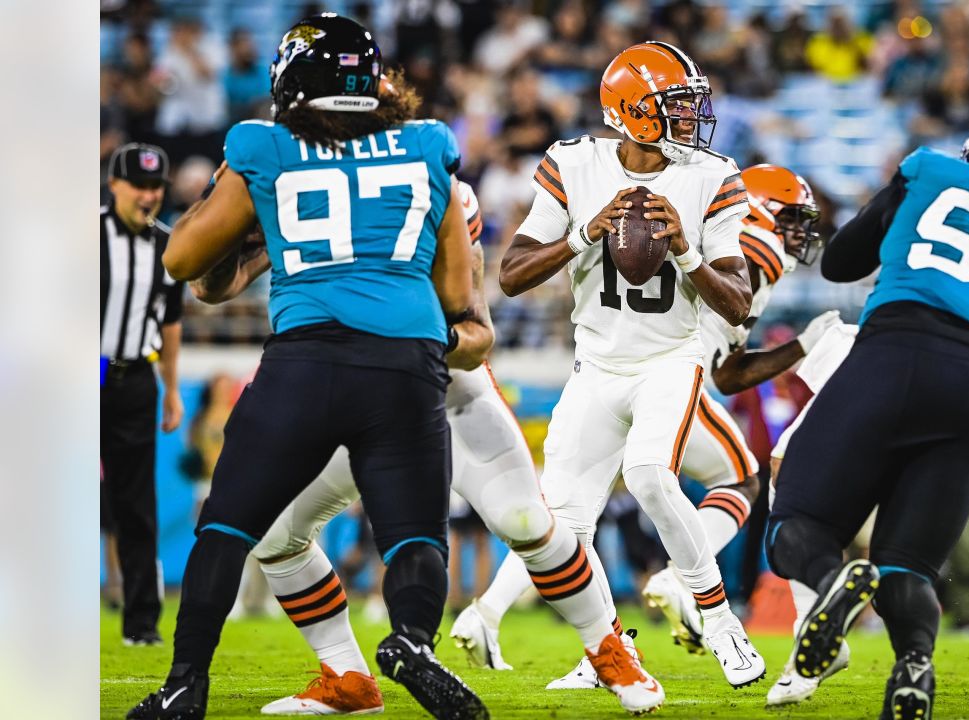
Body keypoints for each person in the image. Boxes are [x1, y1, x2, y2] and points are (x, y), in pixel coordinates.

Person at [128, 15, 483, 719]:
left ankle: (184, 683)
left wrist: (263, 228)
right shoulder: (428, 146)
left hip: (306, 360)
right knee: (417, 537)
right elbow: (460, 305)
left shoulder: (264, 146)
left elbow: (182, 261)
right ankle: (411, 640)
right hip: (408, 361)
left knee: (227, 528)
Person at [250, 182, 663, 717]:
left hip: (447, 394)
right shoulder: (317, 192)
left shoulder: (437, 194)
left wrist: (415, 339)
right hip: (356, 407)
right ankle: (346, 676)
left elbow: (475, 337)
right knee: (276, 534)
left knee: (525, 521)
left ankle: (610, 651)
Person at [766, 110, 969, 720]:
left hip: (895, 352)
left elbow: (840, 262)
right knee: (907, 564)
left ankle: (829, 587)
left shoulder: (932, 172)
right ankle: (914, 661)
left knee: (796, 523)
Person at [460, 164, 840, 680]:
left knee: (572, 512)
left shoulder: (695, 221)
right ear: (762, 211)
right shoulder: (752, 246)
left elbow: (730, 371)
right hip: (668, 372)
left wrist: (799, 346)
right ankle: (681, 591)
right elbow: (722, 360)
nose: (800, 233)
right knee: (732, 478)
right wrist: (804, 344)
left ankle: (499, 615)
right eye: (792, 218)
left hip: (640, 370)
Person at [497, 41, 768, 689]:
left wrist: (686, 251)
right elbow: (510, 275)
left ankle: (723, 624)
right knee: (560, 527)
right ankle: (607, 653)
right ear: (631, 112)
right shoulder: (575, 164)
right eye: (674, 104)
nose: (689, 117)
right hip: (595, 366)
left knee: (649, 474)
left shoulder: (711, 176)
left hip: (671, 360)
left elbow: (736, 302)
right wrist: (581, 234)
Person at [101, 142, 186, 648]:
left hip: (135, 380)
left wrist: (171, 388)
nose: (149, 196)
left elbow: (171, 322)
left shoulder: (169, 246)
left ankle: (141, 624)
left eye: (156, 187)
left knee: (136, 506)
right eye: (140, 185)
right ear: (114, 185)